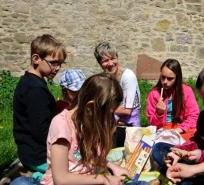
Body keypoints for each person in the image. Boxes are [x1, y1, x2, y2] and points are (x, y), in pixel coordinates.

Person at [10, 73, 149, 185]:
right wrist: (103, 180)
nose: (111, 118)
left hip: (88, 178)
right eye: (109, 113)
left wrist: (112, 166)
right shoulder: (61, 125)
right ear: (91, 107)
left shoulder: (89, 121)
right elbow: (61, 179)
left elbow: (90, 157)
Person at [13, 34, 67, 181]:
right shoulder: (35, 89)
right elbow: (41, 130)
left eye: (60, 63)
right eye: (54, 63)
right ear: (36, 59)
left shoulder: (32, 82)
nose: (57, 68)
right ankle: (41, 177)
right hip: (37, 156)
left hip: (30, 151)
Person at [146, 59, 199, 173]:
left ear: (177, 78)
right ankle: (173, 169)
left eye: (170, 79)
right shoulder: (154, 94)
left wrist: (179, 129)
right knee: (156, 148)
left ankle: (178, 166)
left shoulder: (186, 91)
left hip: (182, 129)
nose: (165, 82)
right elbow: (152, 123)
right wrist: (159, 113)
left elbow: (194, 116)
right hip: (163, 130)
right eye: (163, 77)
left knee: (189, 145)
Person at [94, 41, 141, 127]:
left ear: (117, 57)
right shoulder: (105, 78)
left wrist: (101, 108)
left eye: (113, 58)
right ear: (99, 63)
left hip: (130, 126)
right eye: (106, 60)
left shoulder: (128, 77)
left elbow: (127, 110)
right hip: (113, 123)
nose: (111, 63)